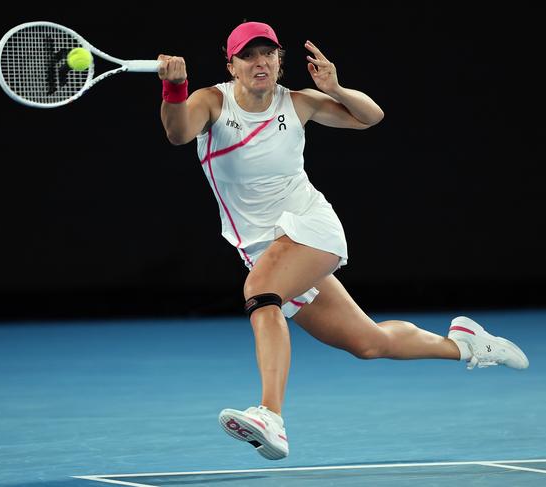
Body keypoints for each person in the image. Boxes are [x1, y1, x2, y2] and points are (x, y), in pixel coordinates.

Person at [156, 21, 529, 461]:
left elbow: (371, 117)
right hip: (264, 249)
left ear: (279, 61)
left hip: (310, 228)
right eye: (248, 56)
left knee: (260, 293)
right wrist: (175, 88)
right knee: (369, 343)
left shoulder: (298, 102)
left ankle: (270, 416)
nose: (260, 63)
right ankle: (468, 343)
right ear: (231, 65)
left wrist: (337, 87)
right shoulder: (211, 102)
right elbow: (178, 133)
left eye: (268, 54)